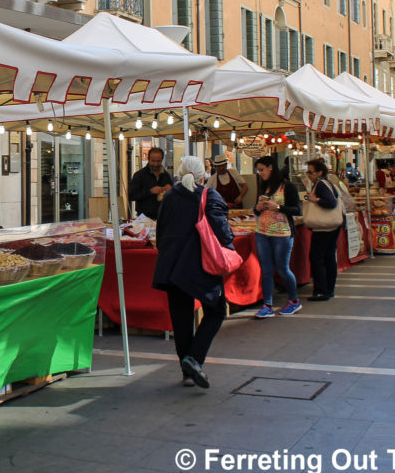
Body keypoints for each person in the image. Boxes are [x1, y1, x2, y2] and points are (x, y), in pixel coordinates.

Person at [152, 156, 234, 389]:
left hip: (172, 265)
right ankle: (194, 359)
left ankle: (187, 371)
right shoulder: (209, 196)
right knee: (216, 311)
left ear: (180, 173)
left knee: (181, 319)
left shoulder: (168, 197)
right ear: (202, 175)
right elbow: (223, 232)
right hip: (201, 266)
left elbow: (161, 231)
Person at [252, 155, 302, 318]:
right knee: (266, 270)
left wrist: (278, 206)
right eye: (258, 170)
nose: (260, 173)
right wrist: (258, 207)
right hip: (262, 232)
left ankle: (294, 301)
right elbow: (257, 211)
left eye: (261, 170)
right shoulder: (264, 186)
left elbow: (296, 210)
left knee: (282, 269)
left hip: (282, 233)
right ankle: (267, 305)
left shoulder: (287, 187)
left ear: (271, 167)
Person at [305, 158, 341, 301]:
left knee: (317, 257)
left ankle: (321, 290)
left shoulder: (321, 184)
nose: (308, 175)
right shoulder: (328, 183)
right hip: (332, 226)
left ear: (319, 172)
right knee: (329, 258)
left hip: (323, 228)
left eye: (311, 172)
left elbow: (331, 202)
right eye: (307, 172)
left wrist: (316, 200)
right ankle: (328, 289)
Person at [128, 148, 172, 220]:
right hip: (144, 218)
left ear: (162, 160)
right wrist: (150, 191)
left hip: (163, 216)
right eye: (153, 161)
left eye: (158, 161)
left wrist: (171, 191)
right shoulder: (139, 175)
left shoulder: (166, 175)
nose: (155, 164)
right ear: (148, 159)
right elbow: (131, 195)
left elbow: (172, 198)